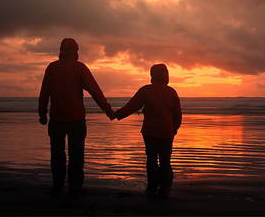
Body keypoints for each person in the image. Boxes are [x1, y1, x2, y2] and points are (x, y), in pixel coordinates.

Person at [38, 38, 114, 197]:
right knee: (76, 156)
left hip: (57, 119)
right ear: (76, 51)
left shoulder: (52, 68)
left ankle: (58, 186)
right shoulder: (80, 68)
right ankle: (75, 187)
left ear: (61, 50)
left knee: (57, 154)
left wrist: (42, 113)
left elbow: (44, 93)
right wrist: (108, 111)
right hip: (75, 120)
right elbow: (95, 91)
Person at [114, 64, 182, 198]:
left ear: (152, 75)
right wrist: (174, 129)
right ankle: (164, 188)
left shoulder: (146, 90)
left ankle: (152, 186)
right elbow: (178, 114)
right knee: (165, 160)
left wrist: (116, 114)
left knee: (151, 159)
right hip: (166, 132)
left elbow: (132, 106)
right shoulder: (171, 92)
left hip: (150, 132)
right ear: (166, 75)